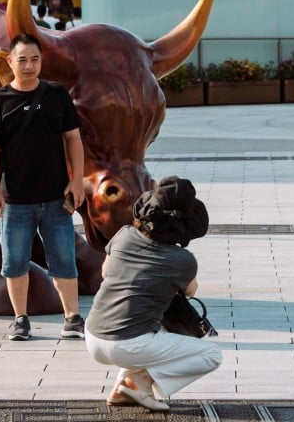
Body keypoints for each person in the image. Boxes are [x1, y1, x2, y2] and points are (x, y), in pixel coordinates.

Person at [0, 32, 85, 341]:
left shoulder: (56, 95)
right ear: (10, 62)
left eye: (35, 59)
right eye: (22, 60)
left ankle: (73, 318)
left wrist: (77, 179)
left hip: (55, 197)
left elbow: (74, 139)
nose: (28, 66)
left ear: (42, 62)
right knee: (14, 262)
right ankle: (21, 320)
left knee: (64, 259)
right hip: (15, 200)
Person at [85, 176, 222, 412]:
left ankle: (122, 389)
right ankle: (141, 381)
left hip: (93, 335)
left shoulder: (124, 234)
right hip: (128, 344)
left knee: (160, 326)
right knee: (211, 354)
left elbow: (106, 272)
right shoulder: (183, 260)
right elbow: (190, 291)